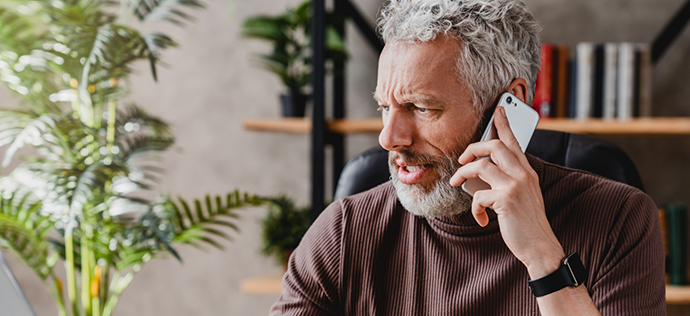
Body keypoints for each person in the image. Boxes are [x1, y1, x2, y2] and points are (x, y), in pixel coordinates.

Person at [270, 0, 666, 315]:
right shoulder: (345, 232)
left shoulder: (619, 220)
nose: (389, 138)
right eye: (384, 108)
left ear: (510, 107)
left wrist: (544, 258)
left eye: (422, 108)